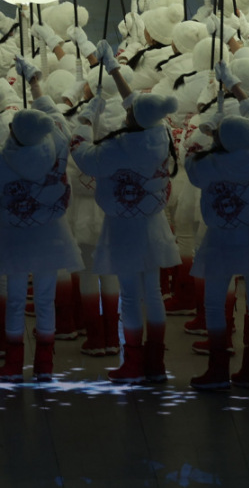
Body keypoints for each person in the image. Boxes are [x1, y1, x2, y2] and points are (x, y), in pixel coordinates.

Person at [72, 56, 183, 385]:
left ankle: (133, 362)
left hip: (123, 228)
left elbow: (83, 157)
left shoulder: (118, 148)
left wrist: (85, 119)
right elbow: (138, 105)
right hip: (154, 224)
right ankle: (156, 362)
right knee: (153, 293)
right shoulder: (160, 134)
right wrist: (114, 70)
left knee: (131, 295)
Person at [183, 112, 249, 390]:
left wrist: (204, 134)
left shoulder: (209, 165)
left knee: (215, 302)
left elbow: (190, 164)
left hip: (222, 238)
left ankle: (217, 369)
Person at [0, 100, 83, 383]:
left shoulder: (3, 161)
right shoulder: (57, 148)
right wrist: (39, 95)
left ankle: (13, 364)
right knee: (45, 300)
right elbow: (58, 119)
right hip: (51, 236)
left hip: (15, 239)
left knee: (15, 300)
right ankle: (45, 365)